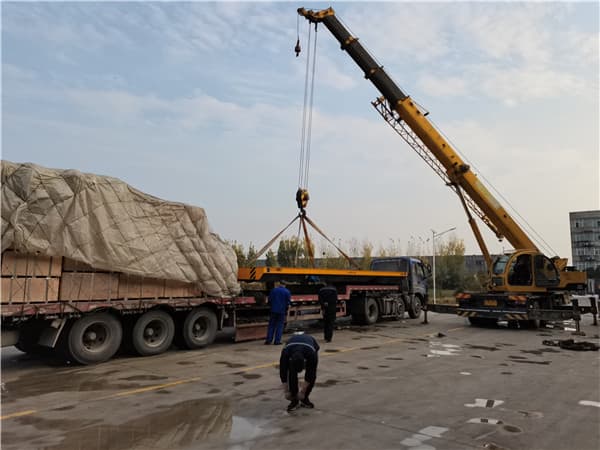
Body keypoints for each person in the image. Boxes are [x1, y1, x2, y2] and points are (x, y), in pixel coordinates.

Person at [279, 332, 320, 411]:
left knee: (311, 375)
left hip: (310, 344)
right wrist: (286, 391)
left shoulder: (312, 354)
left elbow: (311, 374)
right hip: (292, 346)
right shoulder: (286, 352)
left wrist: (303, 392)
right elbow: (283, 372)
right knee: (292, 374)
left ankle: (304, 399)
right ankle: (294, 400)